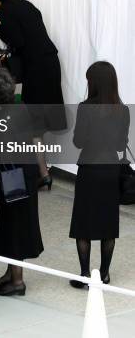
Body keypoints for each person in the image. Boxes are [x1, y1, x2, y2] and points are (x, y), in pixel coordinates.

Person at [0, 0, 65, 188]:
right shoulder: (25, 4)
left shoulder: (5, 11)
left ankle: (41, 174)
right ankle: (42, 171)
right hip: (50, 64)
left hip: (37, 70)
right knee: (37, 123)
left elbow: (17, 41)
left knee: (32, 123)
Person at [0, 68, 44, 296]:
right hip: (24, 172)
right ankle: (9, 273)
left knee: (14, 224)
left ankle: (17, 280)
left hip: (13, 174)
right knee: (10, 223)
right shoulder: (20, 106)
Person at [69, 61, 129, 288]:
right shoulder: (122, 109)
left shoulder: (85, 107)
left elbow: (78, 141)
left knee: (83, 224)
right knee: (107, 225)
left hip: (89, 168)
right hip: (111, 169)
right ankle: (104, 274)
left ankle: (84, 274)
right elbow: (121, 143)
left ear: (93, 82)